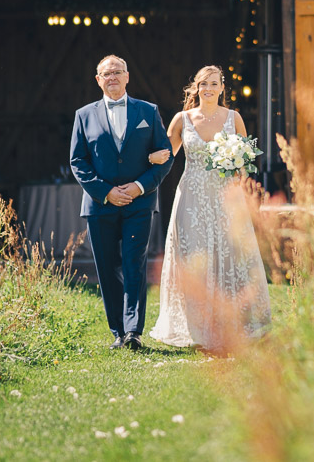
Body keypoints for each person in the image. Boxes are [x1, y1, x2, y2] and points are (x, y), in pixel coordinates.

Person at [150, 65, 272, 350]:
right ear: (196, 87)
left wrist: (240, 170)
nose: (208, 88)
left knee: (229, 255)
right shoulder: (182, 119)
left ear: (221, 88)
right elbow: (167, 155)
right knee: (194, 256)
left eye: (214, 83)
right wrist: (150, 157)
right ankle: (195, 326)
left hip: (225, 197)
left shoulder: (234, 118)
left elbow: (245, 161)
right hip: (191, 198)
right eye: (203, 83)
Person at [69, 54, 175, 350]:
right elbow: (78, 161)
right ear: (98, 80)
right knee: (107, 267)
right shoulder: (83, 115)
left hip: (139, 204)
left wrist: (140, 187)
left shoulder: (148, 111)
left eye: (117, 72)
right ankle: (117, 330)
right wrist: (106, 192)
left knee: (134, 264)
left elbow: (166, 156)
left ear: (127, 76)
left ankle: (133, 331)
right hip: (100, 205)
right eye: (107, 73)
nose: (112, 77)